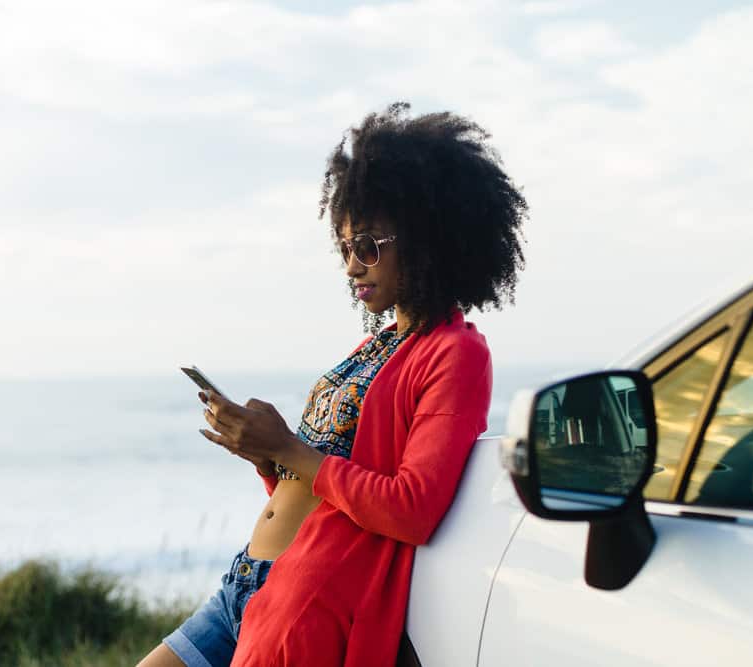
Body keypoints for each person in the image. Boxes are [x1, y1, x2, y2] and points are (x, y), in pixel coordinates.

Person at [137, 102, 527, 667]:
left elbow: (412, 508)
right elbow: (321, 483)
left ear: (425, 239)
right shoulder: (372, 349)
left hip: (304, 599)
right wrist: (264, 456)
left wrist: (286, 447)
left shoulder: (455, 354)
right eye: (345, 247)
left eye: (368, 246)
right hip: (244, 584)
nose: (352, 266)